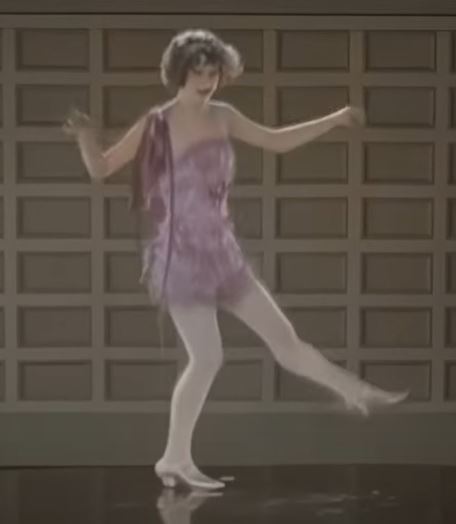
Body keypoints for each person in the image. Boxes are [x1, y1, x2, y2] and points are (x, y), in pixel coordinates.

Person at [63, 28, 409, 491]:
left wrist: (335, 119)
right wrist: (86, 136)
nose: (207, 81)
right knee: (207, 358)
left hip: (221, 251)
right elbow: (102, 168)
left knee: (286, 342)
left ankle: (354, 391)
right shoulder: (157, 123)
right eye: (198, 73)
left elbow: (276, 140)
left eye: (213, 72)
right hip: (180, 256)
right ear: (179, 74)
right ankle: (174, 458)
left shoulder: (224, 115)